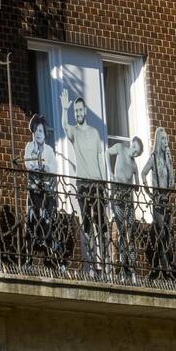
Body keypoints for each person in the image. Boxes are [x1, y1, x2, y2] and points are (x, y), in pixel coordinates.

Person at [62, 89, 108, 274]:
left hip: (97, 184)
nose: (79, 113)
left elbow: (100, 159)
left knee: (101, 224)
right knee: (87, 224)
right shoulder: (74, 131)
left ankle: (104, 265)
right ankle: (88, 264)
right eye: (76, 111)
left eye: (80, 110)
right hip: (82, 183)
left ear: (85, 111)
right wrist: (65, 109)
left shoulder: (95, 133)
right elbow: (65, 126)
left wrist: (105, 183)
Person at [23, 115, 59, 267]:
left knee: (47, 223)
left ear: (45, 134)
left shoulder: (49, 150)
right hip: (34, 191)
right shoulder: (29, 147)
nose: (38, 134)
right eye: (36, 131)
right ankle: (28, 259)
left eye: (41, 131)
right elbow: (27, 163)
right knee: (31, 222)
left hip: (46, 193)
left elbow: (54, 167)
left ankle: (55, 258)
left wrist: (44, 167)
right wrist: (37, 166)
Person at [141, 127, 174, 280]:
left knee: (169, 233)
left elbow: (172, 183)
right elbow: (143, 173)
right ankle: (163, 266)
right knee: (161, 232)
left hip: (167, 199)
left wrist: (170, 162)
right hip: (157, 200)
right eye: (163, 139)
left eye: (166, 139)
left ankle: (168, 266)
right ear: (158, 140)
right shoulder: (153, 158)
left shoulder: (167, 158)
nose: (165, 142)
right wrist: (149, 193)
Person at [109, 136, 144, 280]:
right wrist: (110, 172)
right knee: (121, 231)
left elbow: (137, 185)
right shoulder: (120, 148)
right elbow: (106, 153)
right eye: (136, 149)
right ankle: (123, 263)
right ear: (132, 144)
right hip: (117, 195)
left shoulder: (135, 165)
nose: (136, 153)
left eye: (138, 153)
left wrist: (135, 185)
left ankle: (131, 265)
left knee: (130, 231)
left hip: (128, 199)